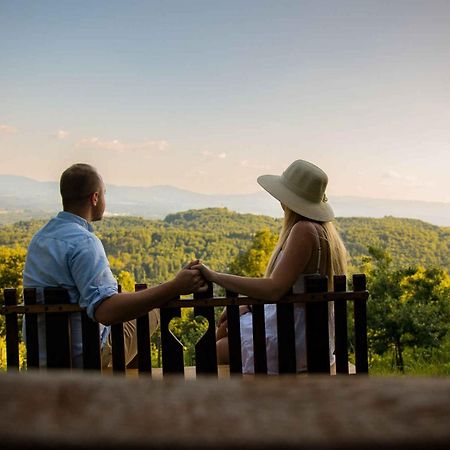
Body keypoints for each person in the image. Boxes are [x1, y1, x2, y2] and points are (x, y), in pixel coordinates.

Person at [23, 163, 205, 368]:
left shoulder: (40, 238)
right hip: (85, 358)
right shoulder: (84, 242)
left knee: (130, 305)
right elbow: (106, 312)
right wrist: (174, 287)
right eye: (104, 194)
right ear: (95, 198)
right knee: (151, 311)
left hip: (44, 359)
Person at [193, 159, 347, 374]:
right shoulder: (323, 232)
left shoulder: (303, 230)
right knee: (224, 328)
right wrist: (250, 307)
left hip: (294, 340)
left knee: (213, 349)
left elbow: (275, 288)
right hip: (310, 334)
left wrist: (215, 276)